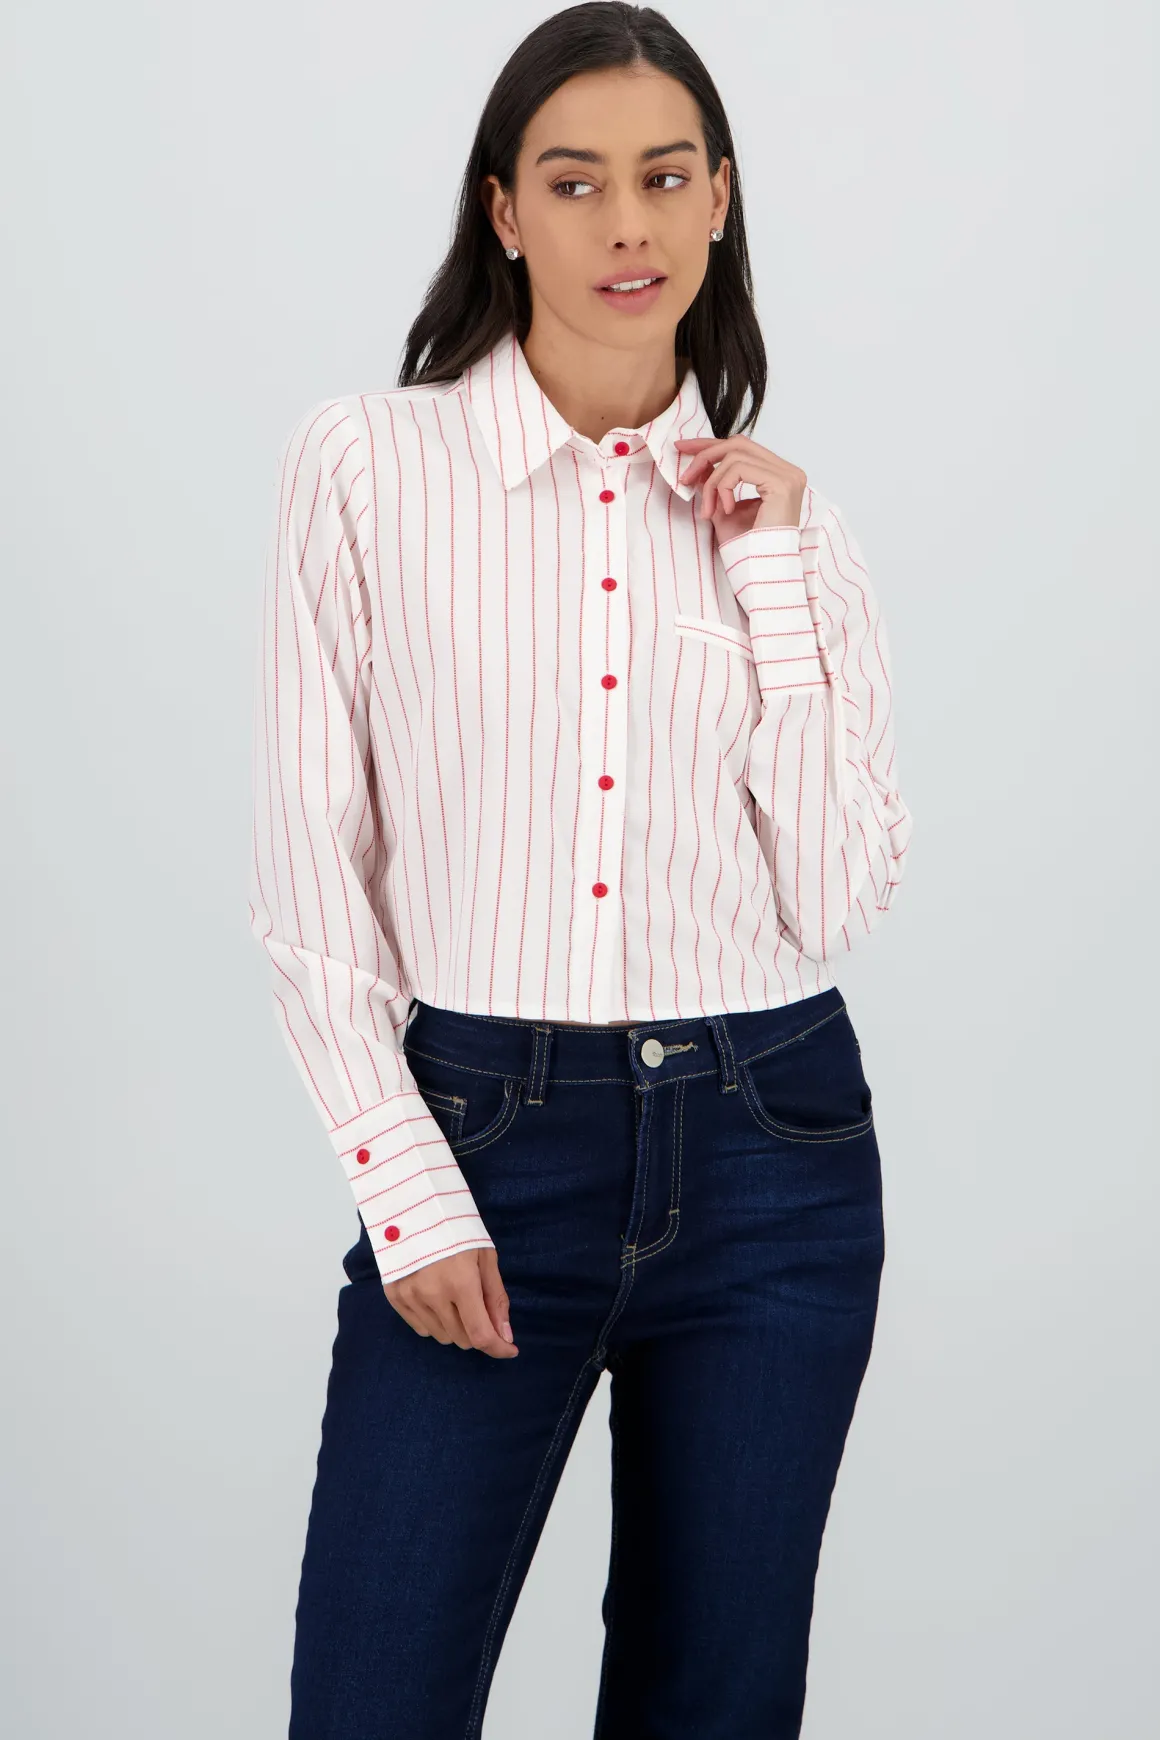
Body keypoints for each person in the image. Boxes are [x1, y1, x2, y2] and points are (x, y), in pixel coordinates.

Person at [248, 4, 912, 1735]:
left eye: (665, 178)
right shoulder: (367, 468)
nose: (627, 223)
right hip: (485, 1130)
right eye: (575, 179)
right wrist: (406, 1185)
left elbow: (837, 899)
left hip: (774, 1151)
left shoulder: (800, 534)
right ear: (504, 210)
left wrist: (771, 581)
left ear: (720, 201)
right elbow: (311, 870)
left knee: (715, 1703)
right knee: (373, 1698)